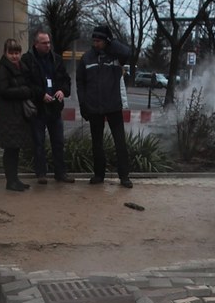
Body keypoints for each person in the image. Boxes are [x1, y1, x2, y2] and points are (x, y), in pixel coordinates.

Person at [76, 25, 134, 188]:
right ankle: (98, 174)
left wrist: (111, 43)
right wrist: (82, 103)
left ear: (106, 41)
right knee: (97, 143)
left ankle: (124, 176)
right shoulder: (87, 58)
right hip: (94, 107)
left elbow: (127, 53)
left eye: (99, 41)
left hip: (113, 106)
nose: (96, 44)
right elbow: (80, 82)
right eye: (94, 40)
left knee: (120, 143)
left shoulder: (116, 56)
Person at [23, 29, 75, 183]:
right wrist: (40, 95)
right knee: (38, 142)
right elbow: (26, 83)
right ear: (36, 44)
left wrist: (62, 91)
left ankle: (61, 173)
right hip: (38, 108)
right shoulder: (28, 59)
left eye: (49, 42)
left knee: (58, 142)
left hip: (54, 107)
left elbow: (66, 79)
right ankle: (41, 174)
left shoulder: (56, 59)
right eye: (44, 43)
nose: (48, 45)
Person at [0, 37, 35, 192]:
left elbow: (29, 85)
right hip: (8, 115)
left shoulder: (22, 68)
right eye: (11, 53)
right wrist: (24, 91)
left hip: (19, 115)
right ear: (5, 53)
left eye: (17, 52)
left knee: (15, 149)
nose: (15, 56)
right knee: (10, 150)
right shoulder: (1, 70)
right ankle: (10, 181)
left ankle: (15, 179)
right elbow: (3, 91)